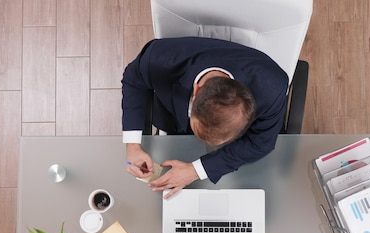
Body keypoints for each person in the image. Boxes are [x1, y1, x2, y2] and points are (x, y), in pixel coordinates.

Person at [122, 37, 289, 198]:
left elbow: (260, 143)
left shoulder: (272, 88)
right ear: (196, 91)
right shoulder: (159, 58)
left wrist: (196, 170)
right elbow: (133, 80)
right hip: (173, 120)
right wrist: (132, 146)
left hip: (231, 153)